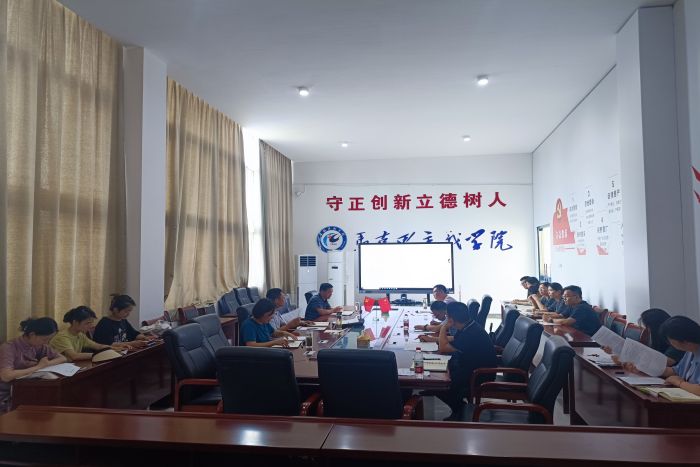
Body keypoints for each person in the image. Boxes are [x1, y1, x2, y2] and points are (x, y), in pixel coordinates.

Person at [437, 301, 498, 420]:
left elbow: (443, 348)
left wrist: (443, 327)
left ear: (451, 319)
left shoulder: (471, 333)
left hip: (479, 375)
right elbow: (454, 339)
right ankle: (459, 410)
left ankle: (460, 410)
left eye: (447, 316)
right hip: (470, 367)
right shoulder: (469, 325)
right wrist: (431, 339)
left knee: (437, 384)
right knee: (434, 372)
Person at [0, 317, 67, 412]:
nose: (47, 342)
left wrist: (47, 364)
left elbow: (62, 358)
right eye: (44, 339)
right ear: (32, 334)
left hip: (25, 389)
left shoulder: (37, 345)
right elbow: (6, 376)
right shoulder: (9, 348)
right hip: (6, 394)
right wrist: (38, 367)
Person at [50, 306, 127, 361]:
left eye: (92, 322)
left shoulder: (80, 334)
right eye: (88, 323)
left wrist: (115, 349)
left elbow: (98, 346)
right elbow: (74, 356)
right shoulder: (62, 337)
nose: (91, 326)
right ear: (75, 322)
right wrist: (101, 355)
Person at [649, 316, 700, 395]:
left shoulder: (690, 347)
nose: (670, 344)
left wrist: (680, 383)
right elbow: (676, 371)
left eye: (670, 340)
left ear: (684, 341)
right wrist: (643, 368)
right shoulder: (690, 351)